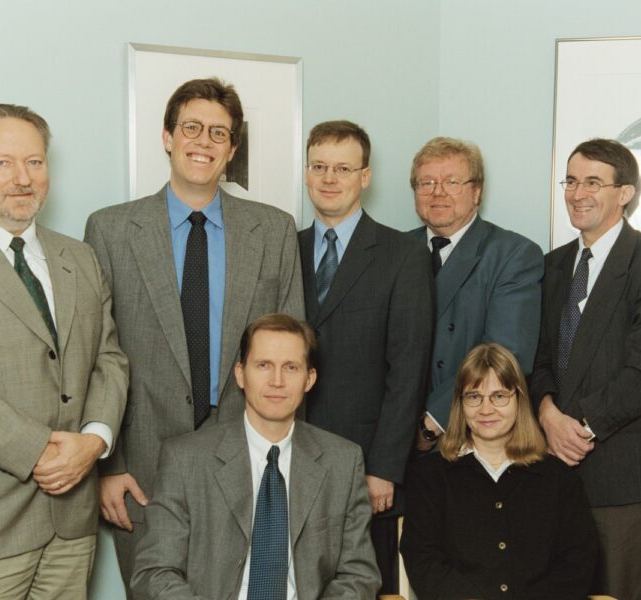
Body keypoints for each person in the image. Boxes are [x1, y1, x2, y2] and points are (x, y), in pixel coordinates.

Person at [84, 77, 305, 587]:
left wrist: (287, 465)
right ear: (167, 137)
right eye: (191, 128)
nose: (204, 141)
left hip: (251, 456)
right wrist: (108, 466)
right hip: (141, 466)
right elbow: (96, 354)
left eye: (218, 133)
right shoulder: (111, 230)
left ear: (232, 149)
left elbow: (291, 356)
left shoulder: (273, 230)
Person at [0, 104, 128, 598]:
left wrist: (94, 441)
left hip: (70, 527)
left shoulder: (80, 257)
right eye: (2, 163)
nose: (22, 178)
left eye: (34, 162)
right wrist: (40, 451)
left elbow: (109, 359)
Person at [530, 138, 641, 599]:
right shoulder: (553, 266)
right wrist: (547, 414)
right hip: (550, 468)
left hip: (619, 476)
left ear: (625, 193)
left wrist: (578, 429)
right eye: (571, 181)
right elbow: (539, 358)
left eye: (593, 183)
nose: (577, 193)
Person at [131, 313, 381, 599]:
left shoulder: (343, 462)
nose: (277, 381)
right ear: (240, 374)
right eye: (264, 365)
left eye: (291, 367)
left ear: (309, 379)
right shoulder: (185, 459)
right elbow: (154, 572)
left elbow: (359, 576)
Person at [297, 120, 433, 593]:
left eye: (343, 168)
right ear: (306, 173)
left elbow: (408, 370)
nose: (329, 178)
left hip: (366, 466)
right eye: (319, 166)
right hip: (292, 457)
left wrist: (384, 468)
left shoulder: (403, 255)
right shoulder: (285, 248)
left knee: (365, 587)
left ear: (365, 176)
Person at [401, 343, 597, 599]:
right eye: (474, 397)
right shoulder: (429, 477)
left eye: (499, 396)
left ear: (519, 400)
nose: (486, 409)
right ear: (460, 404)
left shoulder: (559, 478)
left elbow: (578, 562)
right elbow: (422, 559)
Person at [410, 137, 543, 450]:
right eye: (426, 182)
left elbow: (505, 355)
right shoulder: (396, 251)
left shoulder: (514, 254)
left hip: (469, 437)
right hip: (396, 436)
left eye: (452, 182)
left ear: (477, 191)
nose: (438, 192)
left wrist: (431, 424)